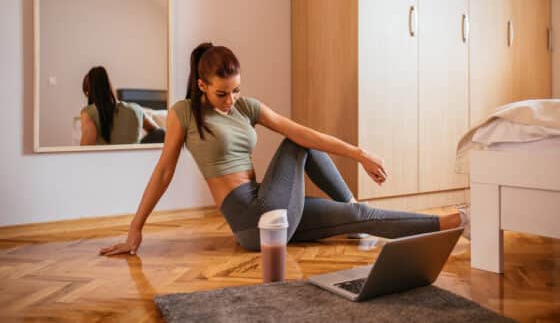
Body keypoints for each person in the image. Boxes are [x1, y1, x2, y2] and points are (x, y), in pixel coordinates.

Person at [100, 43, 465, 255]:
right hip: (249, 219)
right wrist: (136, 229)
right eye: (221, 93)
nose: (231, 100)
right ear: (201, 85)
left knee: (360, 216)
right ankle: (348, 202)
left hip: (273, 213)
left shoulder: (247, 107)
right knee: (296, 141)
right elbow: (164, 170)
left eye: (236, 90)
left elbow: (306, 131)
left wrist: (360, 152)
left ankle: (453, 223)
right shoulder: (184, 113)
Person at [81, 66, 160, 145]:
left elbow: (85, 149)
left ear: (89, 93)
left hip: (105, 157)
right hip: (135, 156)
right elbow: (159, 133)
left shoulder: (88, 112)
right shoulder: (136, 109)